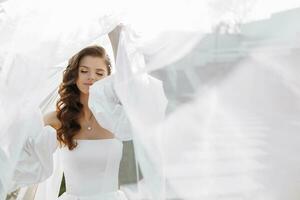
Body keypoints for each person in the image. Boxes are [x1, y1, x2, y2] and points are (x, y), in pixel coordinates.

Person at [10, 45, 131, 200]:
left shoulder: (116, 117)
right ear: (75, 75)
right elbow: (20, 149)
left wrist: (117, 37)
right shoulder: (58, 119)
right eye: (84, 71)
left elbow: (132, 83)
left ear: (108, 78)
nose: (91, 77)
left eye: (99, 73)